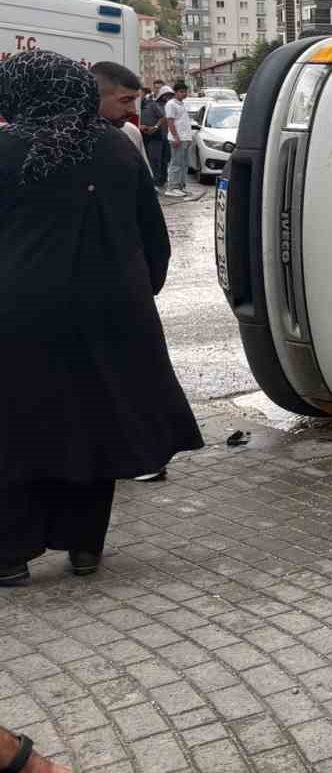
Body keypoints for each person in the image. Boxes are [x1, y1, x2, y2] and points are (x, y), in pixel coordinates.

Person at [0, 50, 203, 588]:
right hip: (112, 312)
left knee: (17, 426)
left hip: (20, 315)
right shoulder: (115, 147)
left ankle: (10, 555)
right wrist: (135, 293)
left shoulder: (4, 150)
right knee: (95, 422)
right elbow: (151, 234)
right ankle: (86, 546)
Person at [92, 61, 150, 173]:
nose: (133, 110)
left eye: (134, 100)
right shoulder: (67, 140)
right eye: (125, 100)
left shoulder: (131, 132)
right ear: (96, 97)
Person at [163, 80, 193, 199]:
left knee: (184, 164)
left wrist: (189, 137)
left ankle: (180, 187)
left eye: (185, 92)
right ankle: (172, 188)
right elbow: (170, 122)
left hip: (185, 138)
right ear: (175, 92)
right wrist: (176, 137)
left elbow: (184, 122)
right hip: (177, 138)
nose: (184, 94)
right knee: (176, 163)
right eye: (181, 92)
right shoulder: (171, 104)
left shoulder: (182, 104)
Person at [141, 84, 169, 188]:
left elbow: (163, 117)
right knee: (145, 159)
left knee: (155, 159)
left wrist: (155, 127)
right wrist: (140, 126)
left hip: (155, 135)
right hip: (142, 135)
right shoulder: (137, 105)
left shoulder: (152, 104)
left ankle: (156, 181)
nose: (139, 95)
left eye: (141, 93)